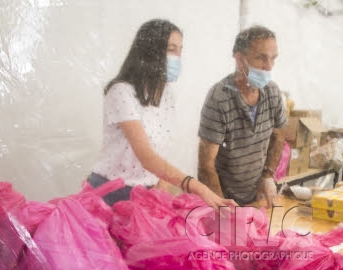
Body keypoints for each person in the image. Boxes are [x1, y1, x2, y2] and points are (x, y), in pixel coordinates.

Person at [87, 19, 236, 210]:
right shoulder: (121, 92)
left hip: (145, 192)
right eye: (171, 50)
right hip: (111, 194)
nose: (177, 58)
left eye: (180, 51)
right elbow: (147, 157)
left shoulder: (165, 95)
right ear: (150, 52)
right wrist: (198, 187)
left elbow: (159, 149)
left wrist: (160, 180)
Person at [197, 25, 287, 208]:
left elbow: (278, 136)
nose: (269, 66)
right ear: (240, 59)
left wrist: (267, 176)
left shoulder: (272, 93)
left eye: (273, 58)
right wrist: (223, 206)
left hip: (253, 195)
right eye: (261, 57)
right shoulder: (220, 98)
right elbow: (206, 165)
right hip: (220, 196)